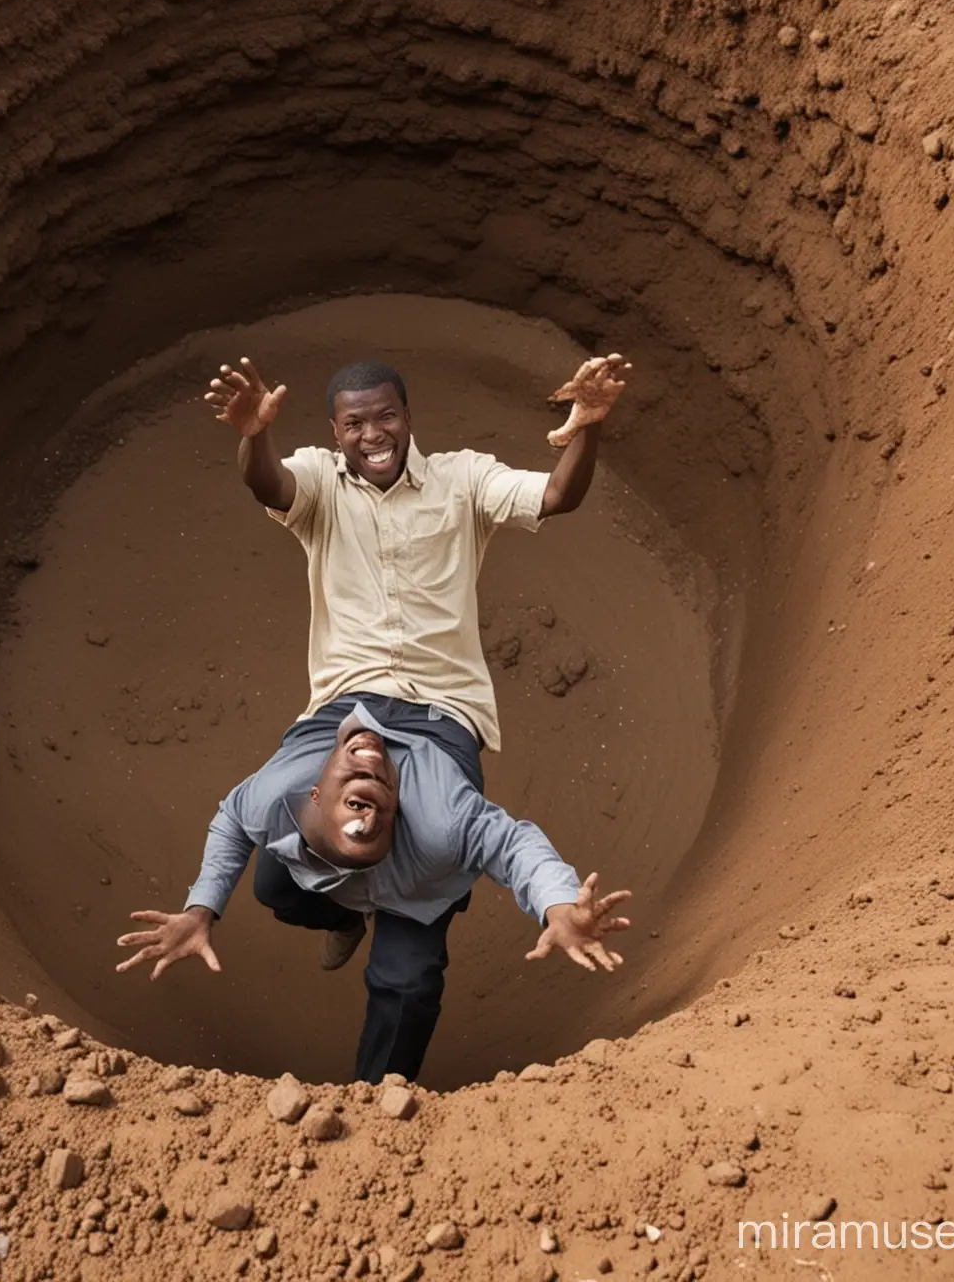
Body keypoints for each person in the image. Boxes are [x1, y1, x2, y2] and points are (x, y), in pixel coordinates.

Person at [116, 697, 631, 1084]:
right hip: (365, 847)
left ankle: (375, 1101)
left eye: (372, 805)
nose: (368, 801)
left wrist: (555, 903)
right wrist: (202, 908)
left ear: (398, 799)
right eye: (361, 801)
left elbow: (515, 846)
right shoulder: (275, 796)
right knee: (274, 883)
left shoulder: (442, 820)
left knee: (409, 983)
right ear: (313, 798)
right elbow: (231, 819)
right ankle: (345, 918)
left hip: (419, 869)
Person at [199, 350, 630, 757]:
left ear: (407, 417)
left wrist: (589, 424)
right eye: (354, 424)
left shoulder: (464, 477)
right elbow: (269, 484)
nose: (372, 435)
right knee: (266, 803)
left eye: (386, 416)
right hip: (341, 705)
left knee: (444, 822)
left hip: (444, 708)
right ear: (335, 431)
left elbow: (557, 495)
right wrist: (256, 437)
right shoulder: (320, 479)